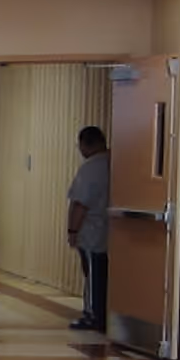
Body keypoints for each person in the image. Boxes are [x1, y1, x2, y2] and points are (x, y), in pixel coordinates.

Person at [66, 125, 111, 332]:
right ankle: (104, 314)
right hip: (111, 231)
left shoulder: (91, 168)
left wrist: (72, 231)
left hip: (93, 231)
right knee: (104, 275)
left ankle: (93, 316)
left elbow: (80, 204)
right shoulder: (115, 162)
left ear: (86, 144)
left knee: (93, 275)